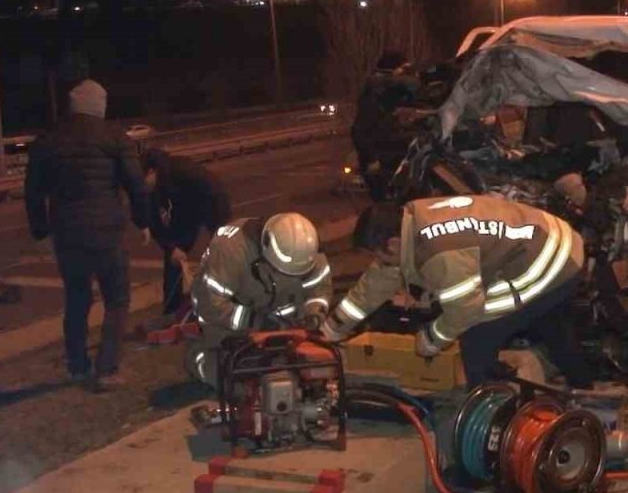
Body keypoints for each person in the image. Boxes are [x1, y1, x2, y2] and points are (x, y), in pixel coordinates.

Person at [320, 196, 596, 390]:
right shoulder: (411, 222)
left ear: (392, 244)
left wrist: (430, 340)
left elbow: (466, 310)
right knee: (546, 317)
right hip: (561, 243)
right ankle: (583, 382)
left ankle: (489, 415)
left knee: (478, 334)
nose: (377, 262)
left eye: (376, 255)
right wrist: (330, 332)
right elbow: (375, 284)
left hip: (550, 259)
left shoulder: (438, 253)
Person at [25, 79, 148, 389]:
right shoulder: (114, 138)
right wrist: (143, 221)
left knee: (77, 299)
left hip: (67, 233)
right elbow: (136, 184)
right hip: (107, 230)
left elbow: (33, 192)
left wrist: (40, 233)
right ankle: (107, 369)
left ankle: (78, 366)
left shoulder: (48, 140)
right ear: (100, 106)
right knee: (117, 299)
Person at [187, 213, 332, 386]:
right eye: (278, 271)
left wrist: (313, 315)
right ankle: (198, 357)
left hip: (286, 326)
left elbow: (319, 291)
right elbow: (212, 305)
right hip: (231, 326)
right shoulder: (230, 251)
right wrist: (255, 321)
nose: (282, 277)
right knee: (235, 377)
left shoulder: (308, 252)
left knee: (316, 370)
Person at [141, 148, 233, 324]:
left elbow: (215, 198)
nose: (143, 186)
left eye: (144, 180)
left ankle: (224, 304)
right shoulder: (158, 184)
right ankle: (172, 311)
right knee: (173, 259)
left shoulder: (183, 172)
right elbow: (155, 220)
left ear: (152, 172)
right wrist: (172, 247)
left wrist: (218, 237)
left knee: (222, 256)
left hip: (212, 206)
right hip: (186, 213)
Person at [351, 50, 419, 200]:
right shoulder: (376, 92)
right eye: (404, 69)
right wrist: (371, 159)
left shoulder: (389, 92)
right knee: (388, 203)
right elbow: (360, 130)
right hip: (381, 161)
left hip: (391, 158)